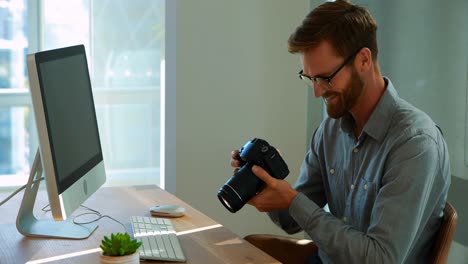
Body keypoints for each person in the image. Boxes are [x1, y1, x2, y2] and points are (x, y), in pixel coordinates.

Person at [230, 1, 451, 263]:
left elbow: (380, 258)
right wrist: (265, 182)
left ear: (364, 60)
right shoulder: (331, 131)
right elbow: (291, 220)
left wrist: (293, 201)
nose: (317, 91)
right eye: (310, 78)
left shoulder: (414, 143)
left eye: (325, 78)